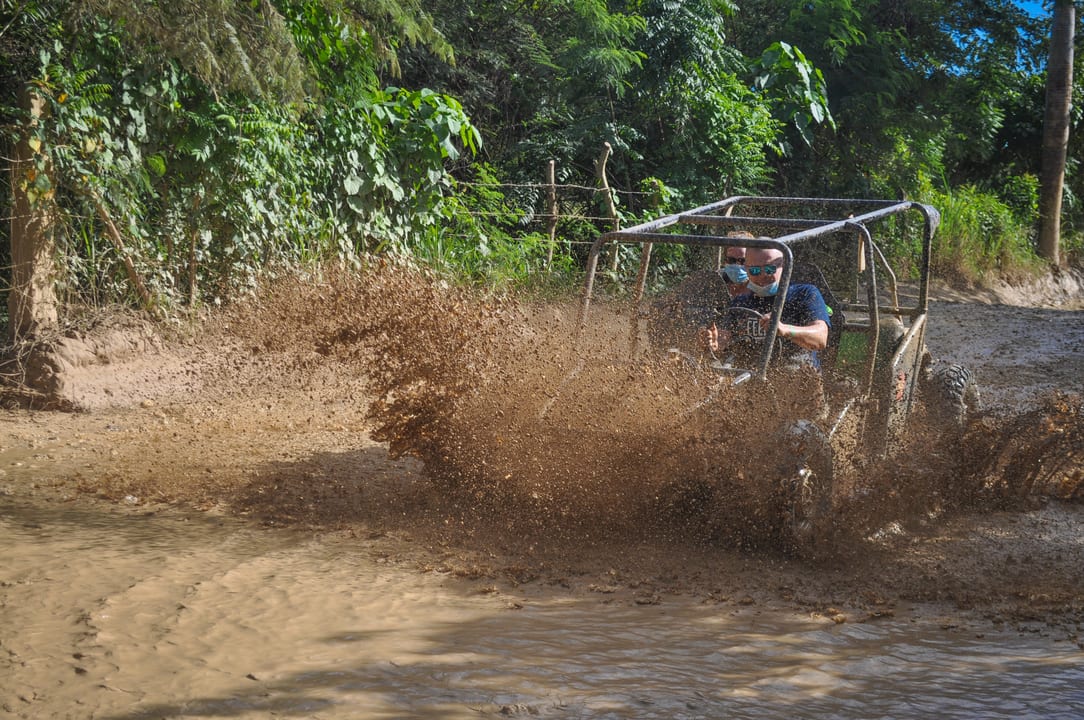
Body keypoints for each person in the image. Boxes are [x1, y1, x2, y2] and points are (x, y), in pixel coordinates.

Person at [701, 245, 831, 370]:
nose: (762, 275)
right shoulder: (740, 303)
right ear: (747, 270)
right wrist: (713, 342)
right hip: (748, 376)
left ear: (784, 266)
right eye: (755, 271)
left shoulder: (804, 294)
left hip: (799, 375)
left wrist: (785, 330)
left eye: (769, 269)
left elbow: (820, 338)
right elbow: (723, 340)